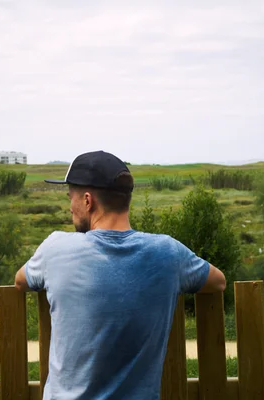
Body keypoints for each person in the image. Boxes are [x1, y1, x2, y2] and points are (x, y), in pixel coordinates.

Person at [15, 150, 226, 400]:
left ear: (87, 200)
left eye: (70, 197)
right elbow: (218, 282)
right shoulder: (168, 253)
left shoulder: (55, 249)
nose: (69, 207)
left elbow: (21, 281)